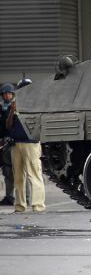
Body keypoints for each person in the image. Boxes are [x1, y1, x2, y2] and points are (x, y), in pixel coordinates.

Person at [2, 83, 45, 213]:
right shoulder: (13, 106)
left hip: (30, 144)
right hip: (16, 144)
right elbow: (8, 126)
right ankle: (20, 205)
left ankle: (38, 206)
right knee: (18, 177)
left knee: (34, 174)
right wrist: (11, 111)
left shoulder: (36, 103)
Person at [0, 83, 14, 206]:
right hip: (4, 141)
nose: (6, 96)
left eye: (8, 93)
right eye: (4, 94)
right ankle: (9, 197)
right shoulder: (2, 109)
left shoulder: (15, 108)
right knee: (7, 171)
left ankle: (25, 197)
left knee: (20, 171)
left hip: (14, 141)